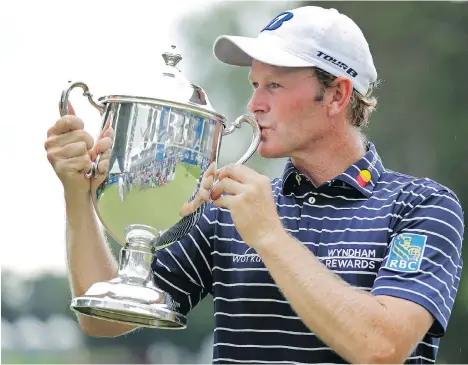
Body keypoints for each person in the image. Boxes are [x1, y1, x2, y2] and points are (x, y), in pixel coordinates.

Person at [44, 5, 464, 364]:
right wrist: (77, 195)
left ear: (337, 95)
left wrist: (268, 235)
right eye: (254, 85)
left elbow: (382, 349)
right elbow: (101, 317)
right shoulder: (227, 210)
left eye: (275, 85)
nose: (254, 104)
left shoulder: (422, 205)